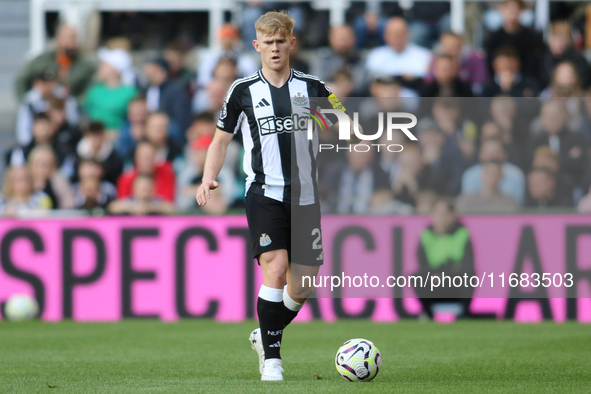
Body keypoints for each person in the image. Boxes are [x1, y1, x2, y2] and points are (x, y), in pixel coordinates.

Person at [195, 11, 351, 381]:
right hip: (264, 193)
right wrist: (207, 178)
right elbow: (220, 139)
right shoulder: (242, 90)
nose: (276, 48)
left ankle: (263, 334)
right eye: (268, 42)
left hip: (306, 197)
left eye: (281, 41)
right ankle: (273, 361)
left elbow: (343, 127)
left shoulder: (313, 87)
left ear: (292, 43)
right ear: (257, 46)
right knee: (276, 269)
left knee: (304, 285)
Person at [414, 198, 476, 319]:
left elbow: (468, 263)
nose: (442, 218)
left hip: (455, 281)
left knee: (470, 275)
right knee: (417, 277)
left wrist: (445, 274)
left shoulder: (462, 233)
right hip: (433, 281)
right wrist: (435, 274)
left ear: (453, 215)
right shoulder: (426, 235)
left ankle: (464, 313)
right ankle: (427, 313)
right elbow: (422, 264)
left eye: (446, 213)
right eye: (439, 213)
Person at [16, 24, 96, 101]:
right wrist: (26, 103)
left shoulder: (85, 65)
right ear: (59, 38)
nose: (72, 42)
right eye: (70, 37)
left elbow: (90, 89)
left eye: (75, 38)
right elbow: (21, 80)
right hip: (42, 110)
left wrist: (75, 104)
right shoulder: (42, 60)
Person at [365, 17, 432, 91]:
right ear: (385, 36)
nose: (396, 37)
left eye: (400, 33)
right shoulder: (375, 55)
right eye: (393, 34)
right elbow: (373, 82)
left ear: (407, 34)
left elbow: (426, 82)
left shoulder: (424, 55)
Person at [484, 0, 544, 81]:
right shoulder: (492, 38)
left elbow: (535, 64)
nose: (512, 14)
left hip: (526, 81)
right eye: (509, 9)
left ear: (521, 11)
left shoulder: (532, 37)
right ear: (501, 10)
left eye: (515, 10)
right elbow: (489, 64)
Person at [83, 48, 138, 134]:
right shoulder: (94, 90)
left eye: (105, 65)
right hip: (93, 137)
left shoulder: (131, 93)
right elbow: (86, 114)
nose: (100, 67)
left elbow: (134, 121)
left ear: (115, 69)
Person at [143, 57, 191, 138]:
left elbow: (181, 117)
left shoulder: (175, 90)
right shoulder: (147, 89)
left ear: (161, 71)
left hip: (169, 128)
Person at [109, 174, 175, 216]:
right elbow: (113, 207)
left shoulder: (156, 200)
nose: (145, 191)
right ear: (134, 189)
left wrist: (150, 208)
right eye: (142, 188)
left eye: (147, 187)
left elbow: (171, 208)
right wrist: (132, 207)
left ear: (153, 189)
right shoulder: (130, 200)